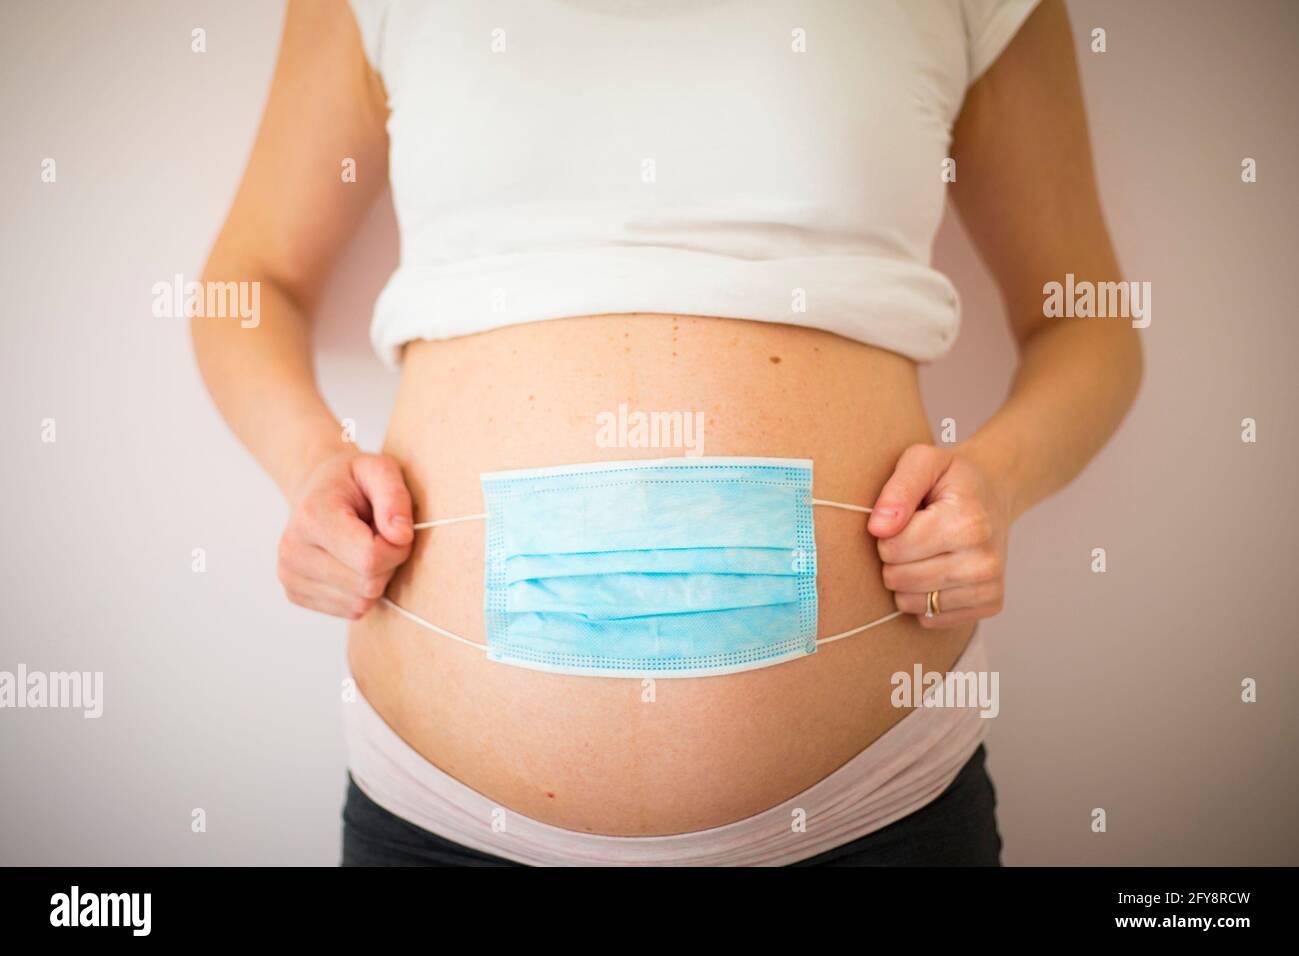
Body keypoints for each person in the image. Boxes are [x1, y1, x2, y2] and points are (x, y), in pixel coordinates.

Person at [192, 0, 1142, 866]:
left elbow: (1088, 320)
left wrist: (999, 481)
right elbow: (250, 283)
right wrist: (311, 462)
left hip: (872, 810)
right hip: (443, 822)